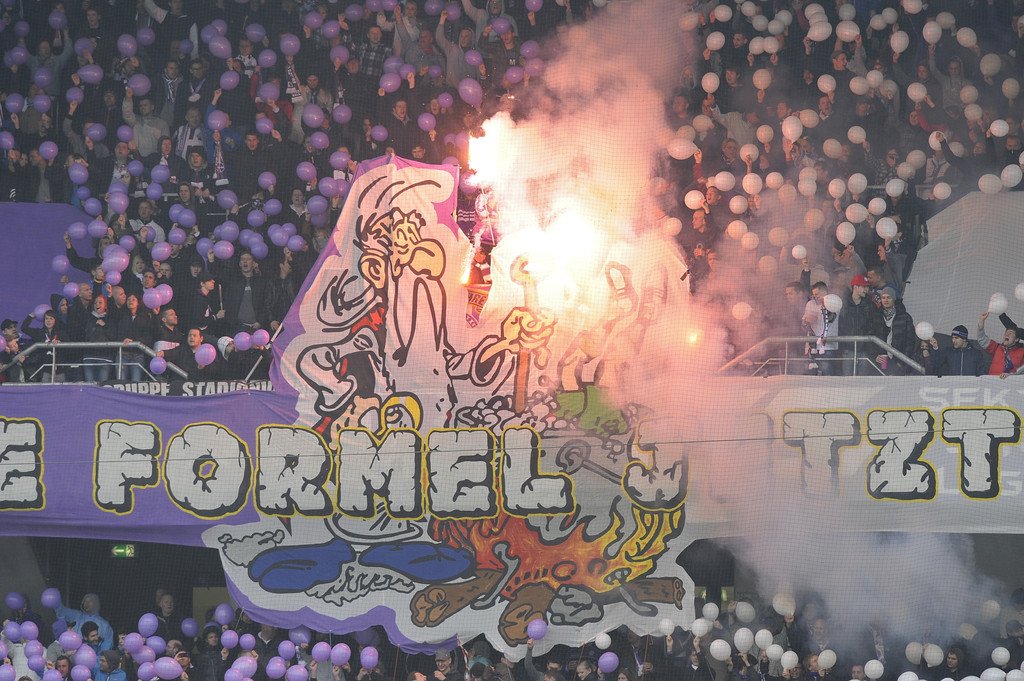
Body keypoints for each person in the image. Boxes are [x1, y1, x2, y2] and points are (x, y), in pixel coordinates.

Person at [977, 312, 1024, 377]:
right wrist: (981, 324)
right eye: (1006, 332)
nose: (1007, 334)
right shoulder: (997, 347)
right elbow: (982, 340)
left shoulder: (1022, 352)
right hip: (991, 381)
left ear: (1016, 339)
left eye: (1010, 333)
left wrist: (1010, 376)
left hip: (1011, 382)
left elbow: (1022, 372)